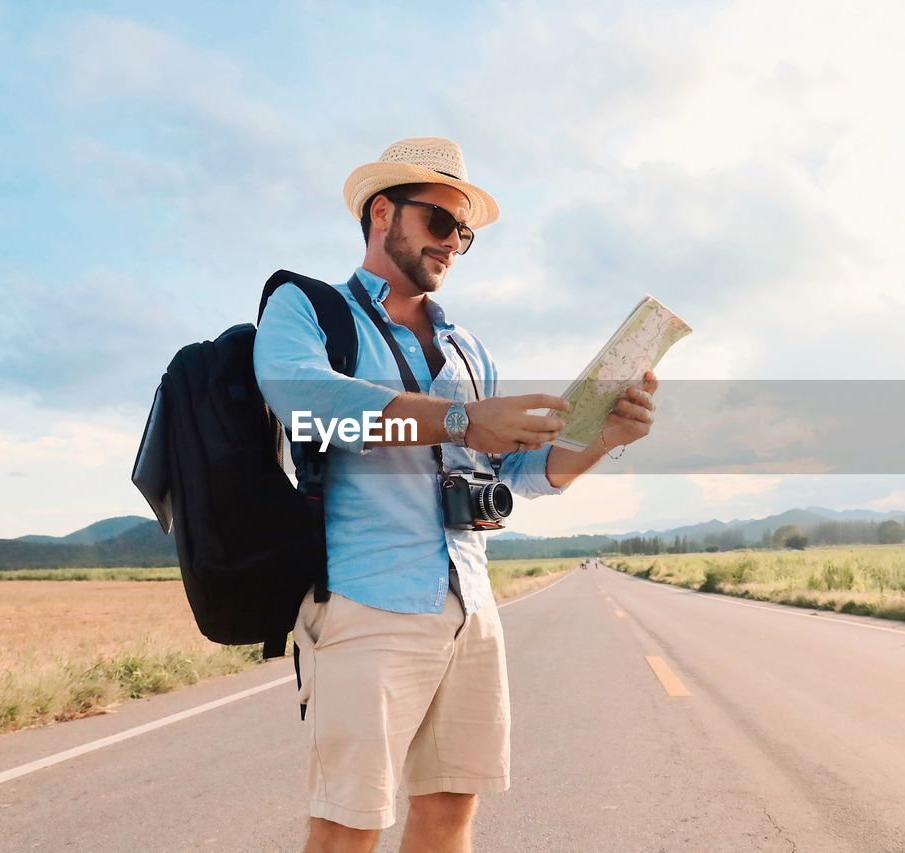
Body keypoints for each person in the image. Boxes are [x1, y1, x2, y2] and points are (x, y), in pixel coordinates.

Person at [253, 137, 657, 853]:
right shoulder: (309, 307)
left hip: (469, 604)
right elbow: (306, 402)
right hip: (367, 600)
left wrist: (601, 439)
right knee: (347, 826)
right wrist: (466, 418)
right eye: (441, 223)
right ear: (384, 212)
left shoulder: (469, 346)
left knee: (449, 813)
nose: (454, 245)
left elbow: (517, 472)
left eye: (464, 235)